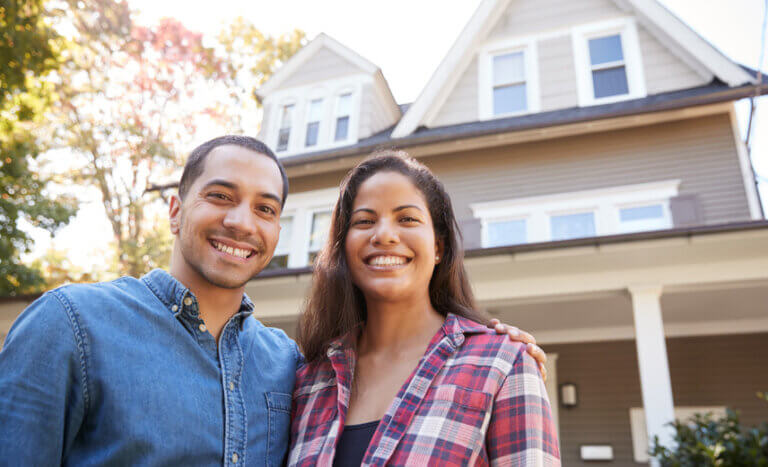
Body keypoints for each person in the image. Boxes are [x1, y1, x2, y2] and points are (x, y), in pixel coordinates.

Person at [0, 136, 545, 465]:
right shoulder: (71, 325)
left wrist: (494, 347)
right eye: (220, 196)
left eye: (264, 208)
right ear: (174, 210)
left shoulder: (286, 366)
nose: (241, 222)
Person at [289, 151, 560, 466]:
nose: (385, 235)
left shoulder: (503, 363)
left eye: (407, 218)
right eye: (365, 221)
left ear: (438, 248)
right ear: (343, 247)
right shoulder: (309, 380)